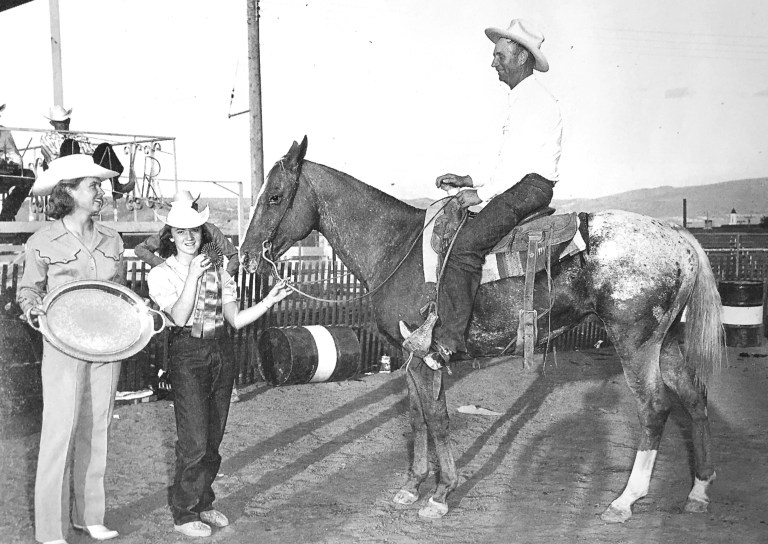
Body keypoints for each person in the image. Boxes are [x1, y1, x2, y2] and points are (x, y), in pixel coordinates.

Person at [401, 18, 563, 369]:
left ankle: (449, 342)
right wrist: (468, 179)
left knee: (464, 248)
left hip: (529, 187)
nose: (494, 63)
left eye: (499, 55)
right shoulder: (523, 97)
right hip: (521, 183)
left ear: (521, 57)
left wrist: (481, 194)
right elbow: (508, 161)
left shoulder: (533, 100)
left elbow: (518, 165)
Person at [147, 199, 290, 538]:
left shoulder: (220, 270)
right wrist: (193, 277)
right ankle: (183, 512)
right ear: (171, 235)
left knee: (212, 439)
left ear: (202, 232)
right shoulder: (160, 273)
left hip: (221, 352)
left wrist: (268, 301)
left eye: (193, 230)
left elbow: (236, 320)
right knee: (194, 441)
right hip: (187, 354)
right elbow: (179, 317)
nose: (188, 237)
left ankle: (204, 501)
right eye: (180, 231)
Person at [17, 154, 125, 544]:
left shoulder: (112, 239)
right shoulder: (42, 241)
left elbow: (119, 292)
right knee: (58, 432)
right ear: (69, 191)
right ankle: (49, 529)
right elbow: (28, 290)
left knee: (97, 430)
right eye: (93, 185)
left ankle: (89, 516)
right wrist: (34, 312)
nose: (101, 192)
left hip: (107, 348)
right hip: (62, 346)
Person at [0, 103, 35, 221]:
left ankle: (7, 214)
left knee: (28, 176)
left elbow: (15, 156)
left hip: (3, 173)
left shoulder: (4, 132)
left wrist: (11, 163)